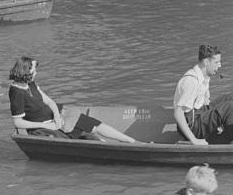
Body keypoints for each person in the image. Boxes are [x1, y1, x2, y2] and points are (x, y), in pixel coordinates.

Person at [7, 56, 137, 142]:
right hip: (43, 127)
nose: (36, 72)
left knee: (93, 124)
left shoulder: (30, 83)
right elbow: (18, 123)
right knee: (78, 137)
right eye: (34, 70)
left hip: (56, 117)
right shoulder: (17, 92)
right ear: (26, 71)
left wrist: (57, 117)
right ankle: (92, 140)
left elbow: (49, 102)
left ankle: (131, 141)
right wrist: (48, 125)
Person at [173, 44, 233, 145]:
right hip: (193, 125)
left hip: (199, 114)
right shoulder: (191, 81)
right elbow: (178, 114)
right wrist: (194, 140)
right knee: (230, 107)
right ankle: (232, 141)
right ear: (206, 62)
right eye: (216, 62)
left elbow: (206, 102)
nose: (220, 65)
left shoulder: (205, 76)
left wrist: (219, 122)